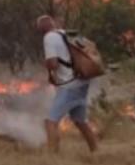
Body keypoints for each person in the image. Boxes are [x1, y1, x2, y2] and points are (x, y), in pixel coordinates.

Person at [37, 15, 97, 153]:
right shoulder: (64, 33)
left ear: (41, 28)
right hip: (82, 82)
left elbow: (53, 64)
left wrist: (46, 64)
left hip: (69, 85)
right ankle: (96, 151)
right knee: (80, 121)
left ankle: (52, 156)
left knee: (50, 122)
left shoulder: (48, 38)